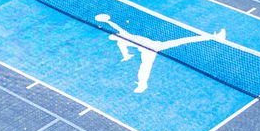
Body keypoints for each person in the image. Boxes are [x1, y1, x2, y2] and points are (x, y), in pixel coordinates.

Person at [95, 13, 224, 93]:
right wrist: (126, 56)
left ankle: (213, 37)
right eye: (114, 36)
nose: (114, 35)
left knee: (183, 40)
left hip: (155, 45)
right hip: (149, 50)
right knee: (145, 67)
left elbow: (117, 28)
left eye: (114, 34)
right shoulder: (122, 40)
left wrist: (107, 21)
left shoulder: (123, 36)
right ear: (115, 37)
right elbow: (123, 46)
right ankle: (142, 85)